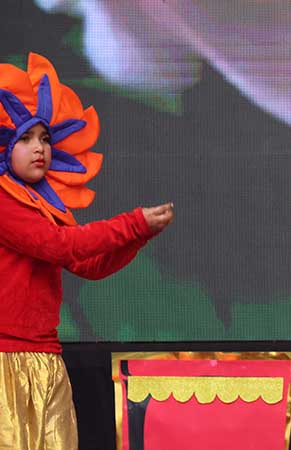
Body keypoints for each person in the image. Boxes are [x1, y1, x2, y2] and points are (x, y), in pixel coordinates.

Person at [0, 53, 174, 450]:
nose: (39, 147)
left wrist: (139, 236)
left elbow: (88, 265)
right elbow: (61, 246)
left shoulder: (43, 205)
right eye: (25, 139)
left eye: (45, 138)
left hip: (44, 357)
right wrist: (132, 224)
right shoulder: (4, 202)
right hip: (5, 358)